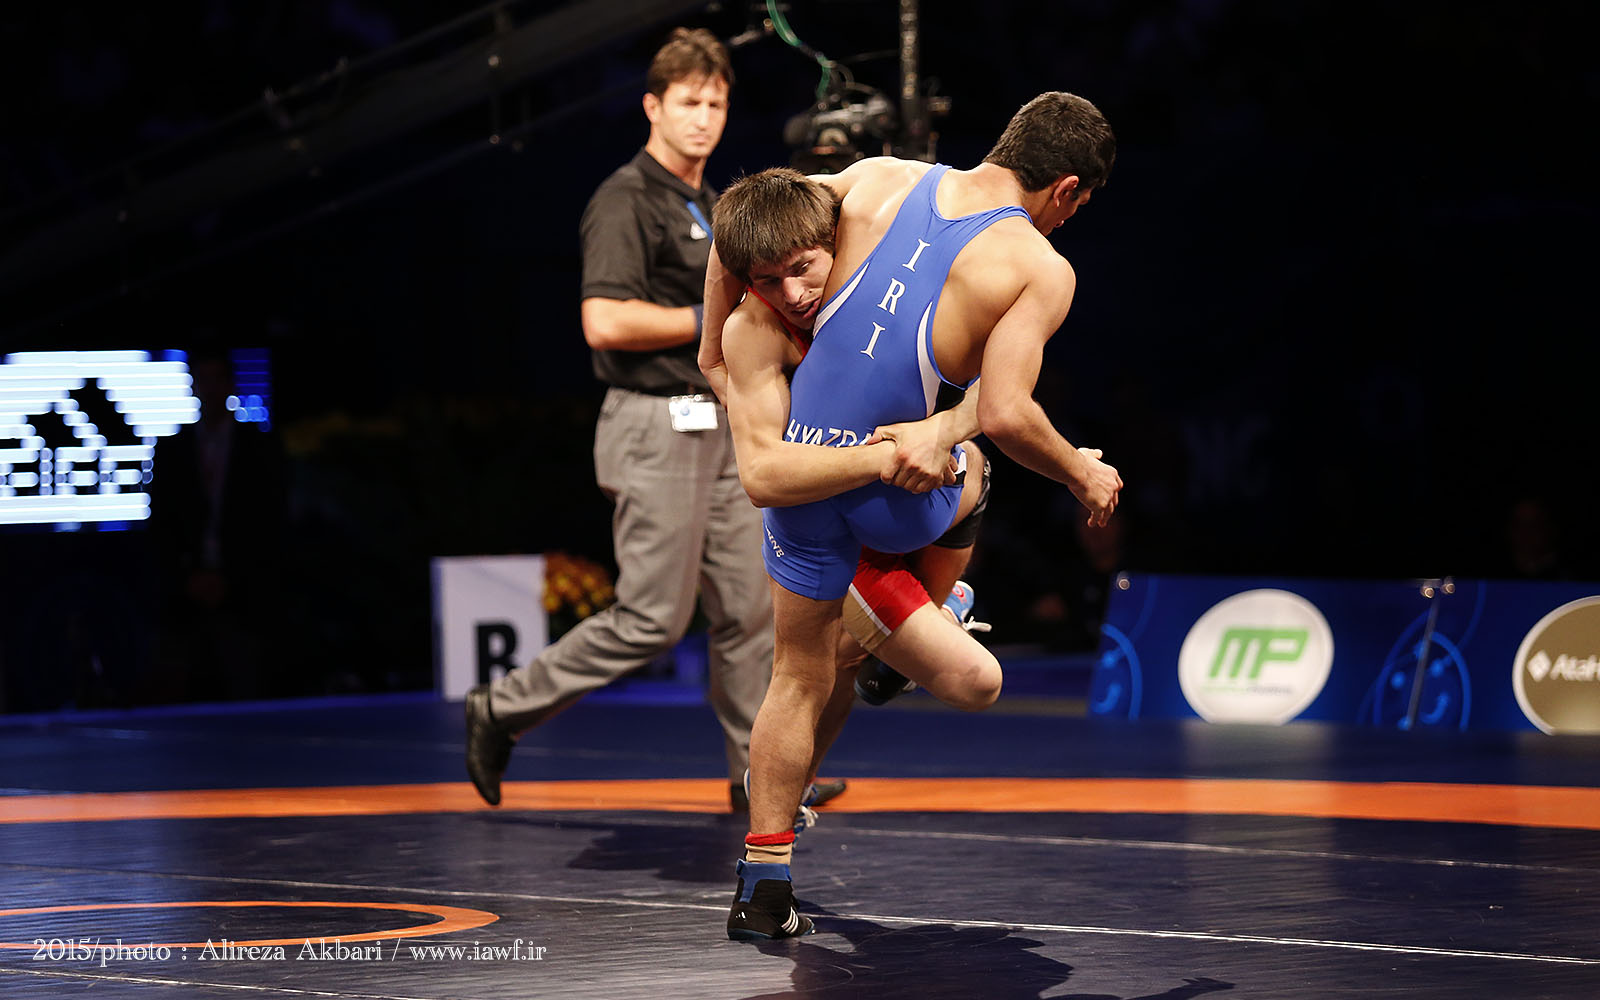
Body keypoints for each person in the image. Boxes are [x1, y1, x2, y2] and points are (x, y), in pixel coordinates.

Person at [706, 92, 1125, 940]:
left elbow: (739, 234)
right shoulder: (1041, 267)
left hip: (806, 488)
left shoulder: (876, 177)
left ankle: (763, 887)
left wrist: (710, 345)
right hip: (900, 503)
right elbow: (1006, 413)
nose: (790, 290)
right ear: (1067, 190)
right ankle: (936, 605)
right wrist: (1081, 471)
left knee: (797, 675)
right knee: (976, 468)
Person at [462, 28, 840, 814]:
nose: (703, 118)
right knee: (653, 621)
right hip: (654, 424)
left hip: (722, 421)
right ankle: (501, 706)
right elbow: (603, 322)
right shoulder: (626, 198)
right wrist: (716, 318)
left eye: (716, 104)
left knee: (751, 611)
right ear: (652, 107)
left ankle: (760, 775)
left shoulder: (711, 202)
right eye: (688, 102)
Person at [701, 168, 1007, 798]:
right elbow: (763, 476)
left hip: (891, 511)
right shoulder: (756, 330)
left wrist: (941, 431)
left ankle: (937, 604)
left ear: (835, 241)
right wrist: (710, 347)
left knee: (975, 465)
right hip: (823, 525)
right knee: (955, 678)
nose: (792, 294)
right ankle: (780, 805)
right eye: (767, 280)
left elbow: (999, 390)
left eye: (803, 268)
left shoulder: (880, 270)